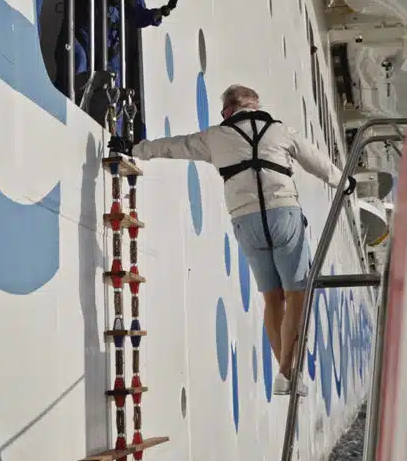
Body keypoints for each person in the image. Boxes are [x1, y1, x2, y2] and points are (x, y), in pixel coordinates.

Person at [107, 85, 357, 397]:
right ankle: (287, 372)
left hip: (246, 219)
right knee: (297, 294)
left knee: (271, 297)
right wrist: (345, 183)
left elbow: (173, 147)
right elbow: (317, 162)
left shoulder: (214, 137)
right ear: (255, 106)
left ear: (228, 111)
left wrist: (134, 149)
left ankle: (284, 372)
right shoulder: (280, 132)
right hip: (284, 214)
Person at [54, 0, 179, 110]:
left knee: (113, 90)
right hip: (81, 36)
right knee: (76, 66)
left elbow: (136, 15)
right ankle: (63, 114)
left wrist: (163, 10)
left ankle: (109, 130)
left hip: (110, 49)